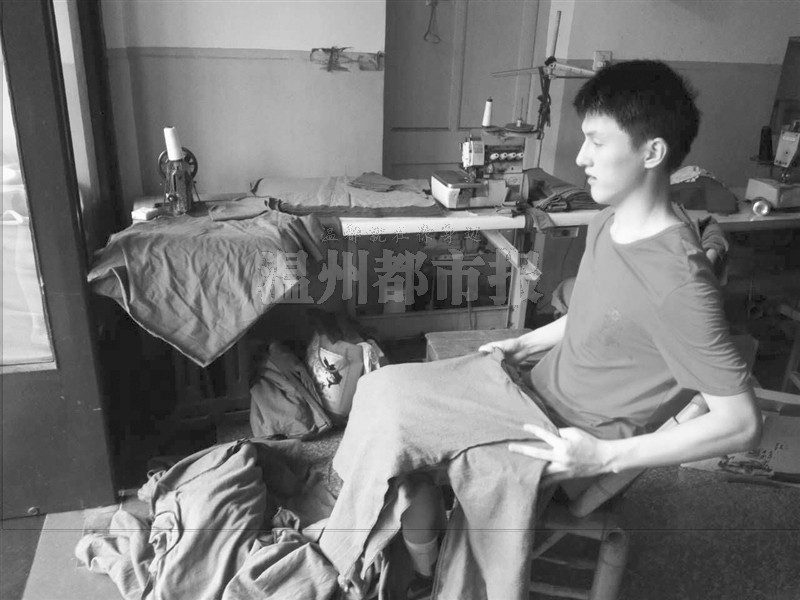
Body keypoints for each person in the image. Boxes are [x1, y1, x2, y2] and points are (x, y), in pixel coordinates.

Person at [319, 60, 762, 600]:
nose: (581, 158)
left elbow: (742, 424)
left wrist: (605, 458)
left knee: (414, 449)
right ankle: (403, 553)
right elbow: (598, 311)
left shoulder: (679, 284)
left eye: (597, 142)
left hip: (567, 437)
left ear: (652, 152)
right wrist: (523, 342)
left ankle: (423, 567)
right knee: (381, 391)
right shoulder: (609, 221)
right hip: (528, 388)